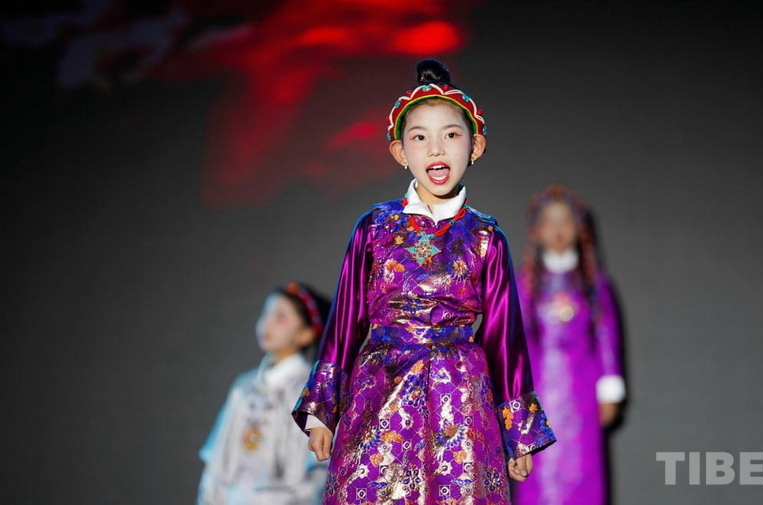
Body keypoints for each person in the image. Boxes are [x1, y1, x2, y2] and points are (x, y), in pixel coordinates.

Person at [291, 59, 555, 504]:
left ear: (475, 145)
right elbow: (346, 321)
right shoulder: (375, 227)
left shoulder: (486, 237)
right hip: (380, 388)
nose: (436, 149)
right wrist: (323, 411)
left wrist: (519, 433)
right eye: (420, 138)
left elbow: (502, 338)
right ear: (400, 152)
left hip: (460, 398)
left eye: (451, 135)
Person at [513, 185, 626, 505]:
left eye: (565, 221)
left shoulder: (594, 285)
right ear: (536, 231)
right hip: (538, 393)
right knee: (540, 473)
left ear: (579, 229)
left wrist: (610, 388)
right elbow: (513, 343)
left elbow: (606, 336)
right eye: (549, 221)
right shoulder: (523, 285)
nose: (558, 229)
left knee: (584, 466)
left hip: (582, 393)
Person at [198, 282, 330, 505]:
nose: (267, 324)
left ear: (305, 333)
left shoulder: (312, 392)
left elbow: (319, 469)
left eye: (280, 317)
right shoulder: (244, 387)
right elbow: (217, 462)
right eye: (265, 313)